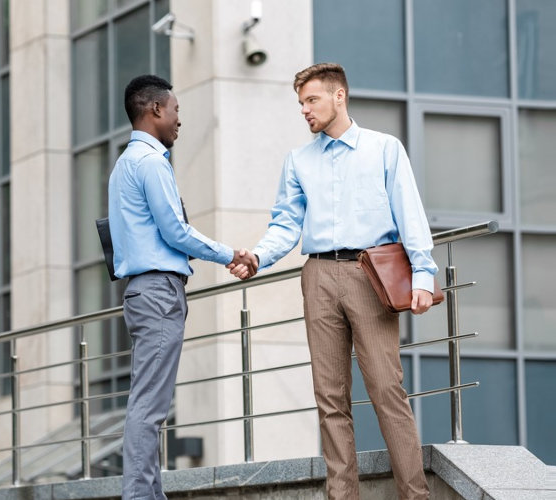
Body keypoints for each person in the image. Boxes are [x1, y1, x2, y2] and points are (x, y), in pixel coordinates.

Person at [228, 63, 436, 500]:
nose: (305, 110)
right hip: (318, 276)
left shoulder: (384, 148)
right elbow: (286, 224)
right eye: (301, 103)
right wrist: (259, 256)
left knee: (386, 389)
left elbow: (409, 214)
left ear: (339, 96)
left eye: (312, 100)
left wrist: (423, 272)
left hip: (370, 275)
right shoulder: (298, 160)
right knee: (330, 399)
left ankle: (415, 495)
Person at [106, 74, 258, 500]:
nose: (178, 120)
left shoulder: (124, 164)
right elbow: (175, 231)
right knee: (149, 406)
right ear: (154, 109)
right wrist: (230, 253)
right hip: (156, 292)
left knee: (149, 403)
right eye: (175, 110)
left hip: (145, 291)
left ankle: (149, 494)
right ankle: (140, 496)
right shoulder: (152, 163)